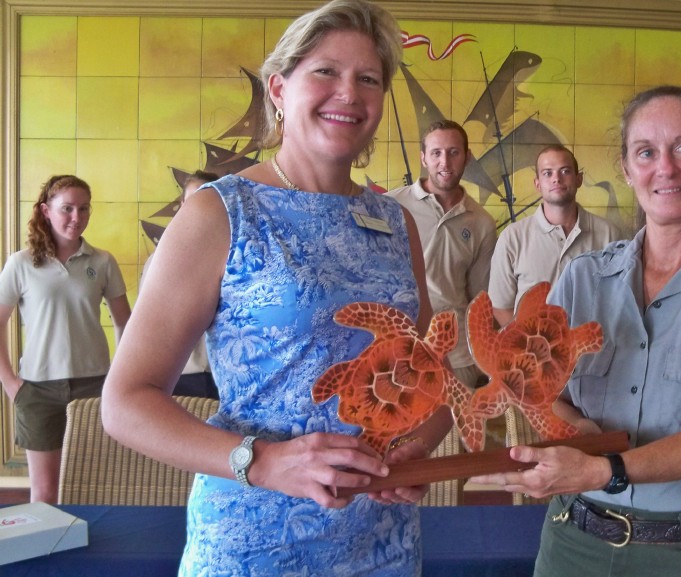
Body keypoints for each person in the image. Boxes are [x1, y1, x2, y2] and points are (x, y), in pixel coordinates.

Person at [102, 1, 453, 574]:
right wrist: (261, 461)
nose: (349, 92)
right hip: (254, 546)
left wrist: (416, 446)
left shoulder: (395, 223)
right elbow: (125, 404)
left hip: (384, 547)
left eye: (368, 79)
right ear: (277, 88)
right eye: (325, 72)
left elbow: (429, 380)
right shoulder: (221, 212)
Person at [471, 85, 681, 576]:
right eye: (646, 152)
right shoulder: (584, 279)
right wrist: (573, 427)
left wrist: (605, 469)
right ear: (627, 171)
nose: (665, 168)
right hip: (575, 541)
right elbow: (538, 390)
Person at [0, 174, 132, 503]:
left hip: (93, 388)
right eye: (67, 209)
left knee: (93, 488)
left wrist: (120, 375)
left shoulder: (102, 261)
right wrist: (10, 384)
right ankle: (46, 553)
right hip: (37, 391)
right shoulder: (20, 264)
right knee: (44, 491)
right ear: (46, 210)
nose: (77, 218)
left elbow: (124, 323)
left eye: (84, 209)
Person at [386, 120, 497, 387]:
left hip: (457, 358)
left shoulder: (482, 222)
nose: (445, 162)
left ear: (467, 157)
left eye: (454, 152)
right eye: (436, 153)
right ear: (423, 158)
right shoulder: (390, 207)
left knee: (459, 429)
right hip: (398, 352)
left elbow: (480, 300)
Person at [488, 145, 625, 327]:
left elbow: (617, 303)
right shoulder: (512, 238)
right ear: (537, 184)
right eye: (547, 173)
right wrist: (529, 345)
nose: (556, 179)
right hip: (534, 353)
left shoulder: (610, 235)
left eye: (565, 171)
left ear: (579, 179)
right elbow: (500, 307)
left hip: (592, 352)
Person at [138, 169, 219, 399]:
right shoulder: (160, 260)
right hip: (180, 376)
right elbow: (149, 321)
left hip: (224, 375)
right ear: (182, 204)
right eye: (193, 200)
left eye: (208, 200)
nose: (200, 208)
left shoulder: (236, 257)